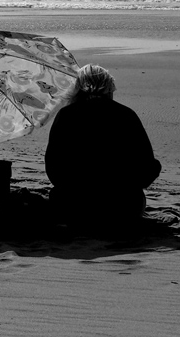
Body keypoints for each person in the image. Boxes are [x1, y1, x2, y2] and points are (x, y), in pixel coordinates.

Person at [44, 64, 161, 231]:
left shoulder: (67, 115)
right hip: (124, 208)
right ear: (108, 89)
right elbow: (147, 167)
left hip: (73, 207)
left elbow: (53, 169)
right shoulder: (126, 115)